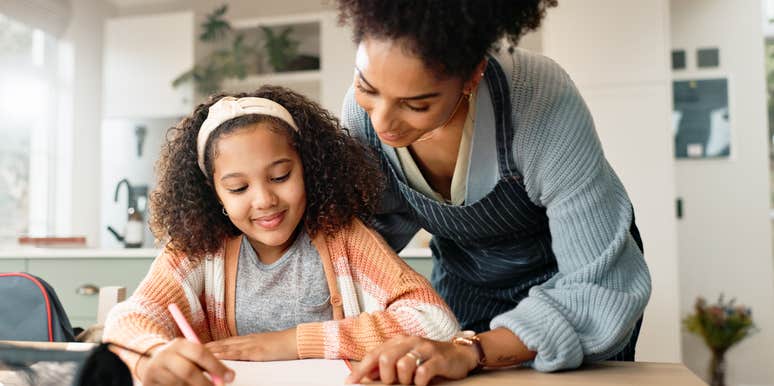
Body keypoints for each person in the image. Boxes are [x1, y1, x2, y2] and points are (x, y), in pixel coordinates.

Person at [335, 1, 652, 385]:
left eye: (417, 104)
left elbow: (598, 287)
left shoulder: (537, 99)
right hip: (466, 284)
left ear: (472, 75)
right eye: (367, 89)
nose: (382, 120)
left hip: (575, 295)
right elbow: (359, 250)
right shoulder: (362, 120)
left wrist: (470, 350)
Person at [102, 86, 459, 386]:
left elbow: (436, 322)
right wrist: (153, 355)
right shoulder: (199, 251)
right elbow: (127, 320)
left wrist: (293, 342)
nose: (264, 200)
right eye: (238, 187)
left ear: (308, 169)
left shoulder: (343, 238)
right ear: (214, 194)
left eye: (280, 176)